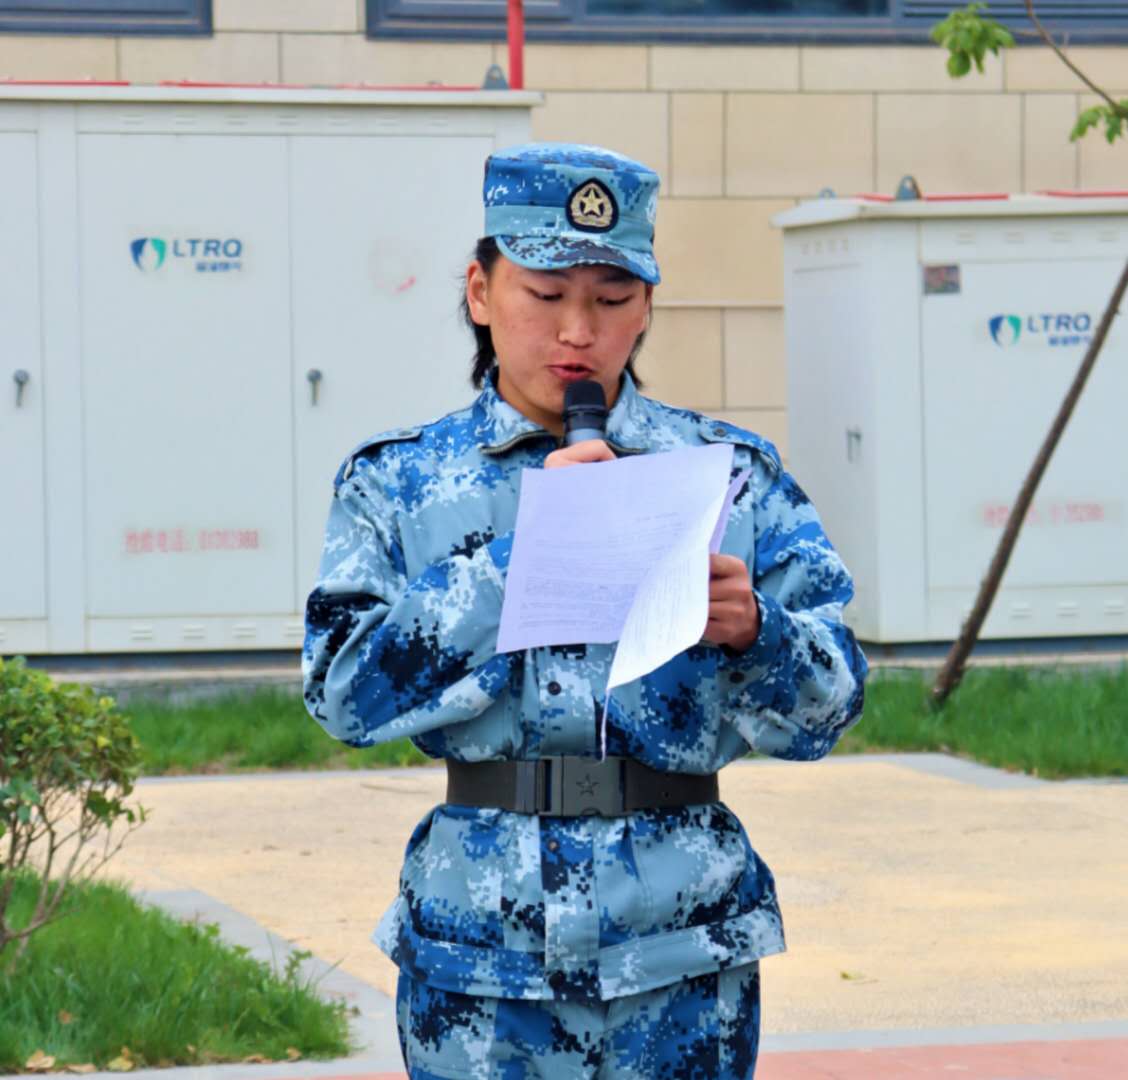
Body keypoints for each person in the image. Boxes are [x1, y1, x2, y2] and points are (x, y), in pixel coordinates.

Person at [303, 142, 867, 1079]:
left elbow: (833, 704)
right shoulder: (397, 481)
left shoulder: (727, 474)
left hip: (682, 951)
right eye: (545, 294)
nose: (579, 332)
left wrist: (758, 634)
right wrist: (525, 555)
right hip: (483, 956)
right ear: (481, 291)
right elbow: (342, 695)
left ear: (646, 305)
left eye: (610, 301)